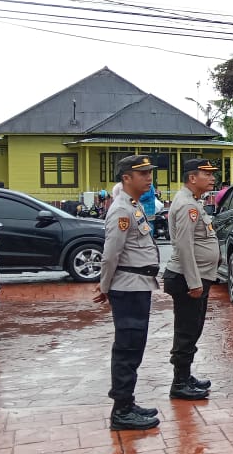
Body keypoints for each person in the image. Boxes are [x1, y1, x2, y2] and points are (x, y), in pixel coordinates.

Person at [93, 155, 161, 431]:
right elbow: (111, 254)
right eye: (142, 174)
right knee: (127, 348)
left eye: (149, 173)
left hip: (138, 286)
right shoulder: (121, 209)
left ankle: (127, 403)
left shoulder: (132, 205)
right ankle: (121, 411)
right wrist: (104, 286)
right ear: (126, 178)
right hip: (128, 287)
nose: (149, 178)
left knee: (134, 347)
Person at [162, 158, 220, 401]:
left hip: (195, 276)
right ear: (192, 178)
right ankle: (179, 383)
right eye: (207, 174)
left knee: (193, 328)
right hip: (188, 278)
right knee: (186, 330)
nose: (212, 178)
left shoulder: (193, 201)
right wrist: (194, 282)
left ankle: (185, 376)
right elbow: (184, 246)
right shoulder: (188, 205)